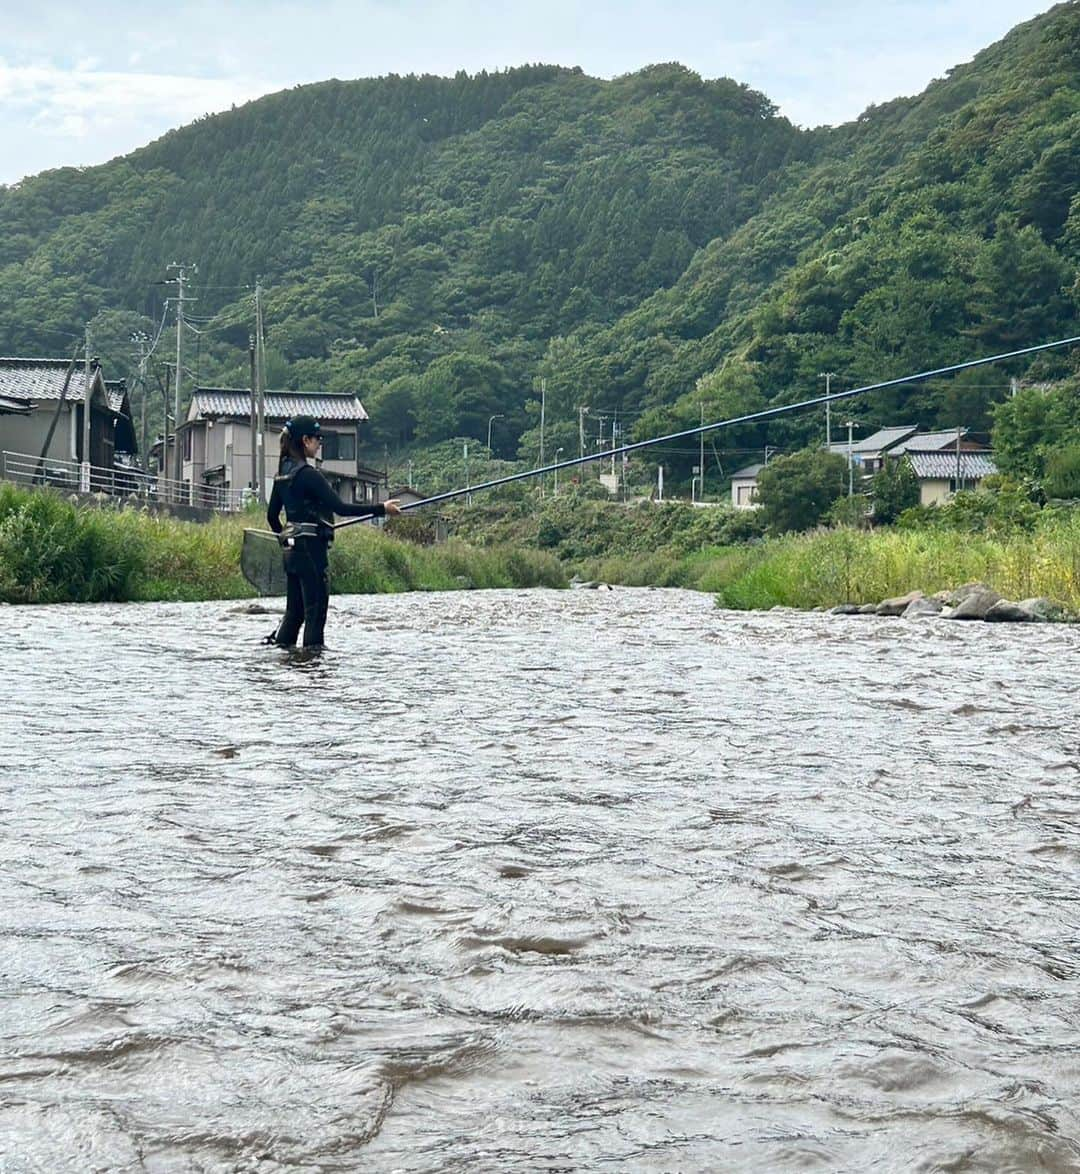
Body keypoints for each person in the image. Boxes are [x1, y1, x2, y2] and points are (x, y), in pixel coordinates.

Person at [265, 415, 401, 649]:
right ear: (305, 440)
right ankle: (314, 673)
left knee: (294, 614)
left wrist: (287, 539)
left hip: (292, 555)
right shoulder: (309, 475)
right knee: (315, 615)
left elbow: (272, 517)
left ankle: (286, 663)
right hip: (311, 552)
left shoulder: (282, 476)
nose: (320, 443)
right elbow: (341, 508)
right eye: (317, 438)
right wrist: (382, 509)